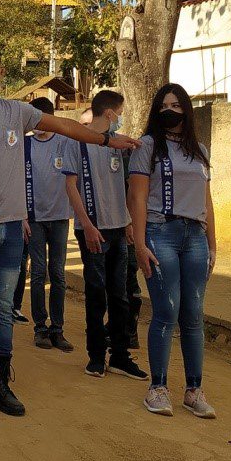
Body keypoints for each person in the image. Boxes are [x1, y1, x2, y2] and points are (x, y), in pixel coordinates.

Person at [0, 44, 139, 419]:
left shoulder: (18, 112)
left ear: (2, 72)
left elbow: (66, 127)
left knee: (2, 309)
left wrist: (107, 140)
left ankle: (0, 383)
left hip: (12, 228)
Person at [129, 83, 218, 419]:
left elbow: (207, 200)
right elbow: (137, 197)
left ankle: (194, 391)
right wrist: (140, 245)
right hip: (159, 233)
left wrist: (212, 243)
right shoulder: (147, 146)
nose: (170, 110)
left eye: (177, 105)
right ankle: (158, 388)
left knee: (193, 315)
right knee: (167, 311)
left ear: (187, 110)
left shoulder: (200, 151)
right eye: (164, 105)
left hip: (195, 236)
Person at [64, 90, 148, 383]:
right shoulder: (77, 142)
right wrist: (86, 225)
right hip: (93, 230)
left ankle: (120, 356)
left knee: (120, 295)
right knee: (96, 294)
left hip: (118, 228)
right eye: (119, 113)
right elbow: (71, 186)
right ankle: (96, 357)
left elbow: (126, 186)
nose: (120, 118)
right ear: (110, 113)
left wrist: (128, 222)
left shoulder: (119, 144)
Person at [23, 97, 75, 353]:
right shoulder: (24, 145)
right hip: (34, 218)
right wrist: (22, 216)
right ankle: (40, 327)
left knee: (58, 274)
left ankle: (58, 328)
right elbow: (15, 180)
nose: (37, 125)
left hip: (60, 217)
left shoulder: (65, 143)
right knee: (38, 273)